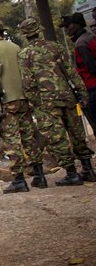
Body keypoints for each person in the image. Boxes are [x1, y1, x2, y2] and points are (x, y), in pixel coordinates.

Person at [19, 18, 95, 185]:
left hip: (46, 103)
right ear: (39, 30)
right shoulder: (56, 47)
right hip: (67, 97)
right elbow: (71, 72)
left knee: (57, 137)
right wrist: (82, 94)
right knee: (76, 133)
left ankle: (71, 173)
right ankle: (88, 169)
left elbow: (27, 82)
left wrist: (34, 103)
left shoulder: (25, 54)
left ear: (25, 35)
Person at [0, 20, 44, 194]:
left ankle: (19, 179)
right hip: (23, 97)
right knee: (28, 135)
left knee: (11, 140)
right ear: (3, 32)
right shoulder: (15, 47)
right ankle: (39, 175)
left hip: (7, 100)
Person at [60, 12, 96, 126]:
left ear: (77, 25)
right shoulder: (91, 36)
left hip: (92, 87)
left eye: (68, 26)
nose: (66, 30)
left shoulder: (80, 44)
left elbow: (92, 67)